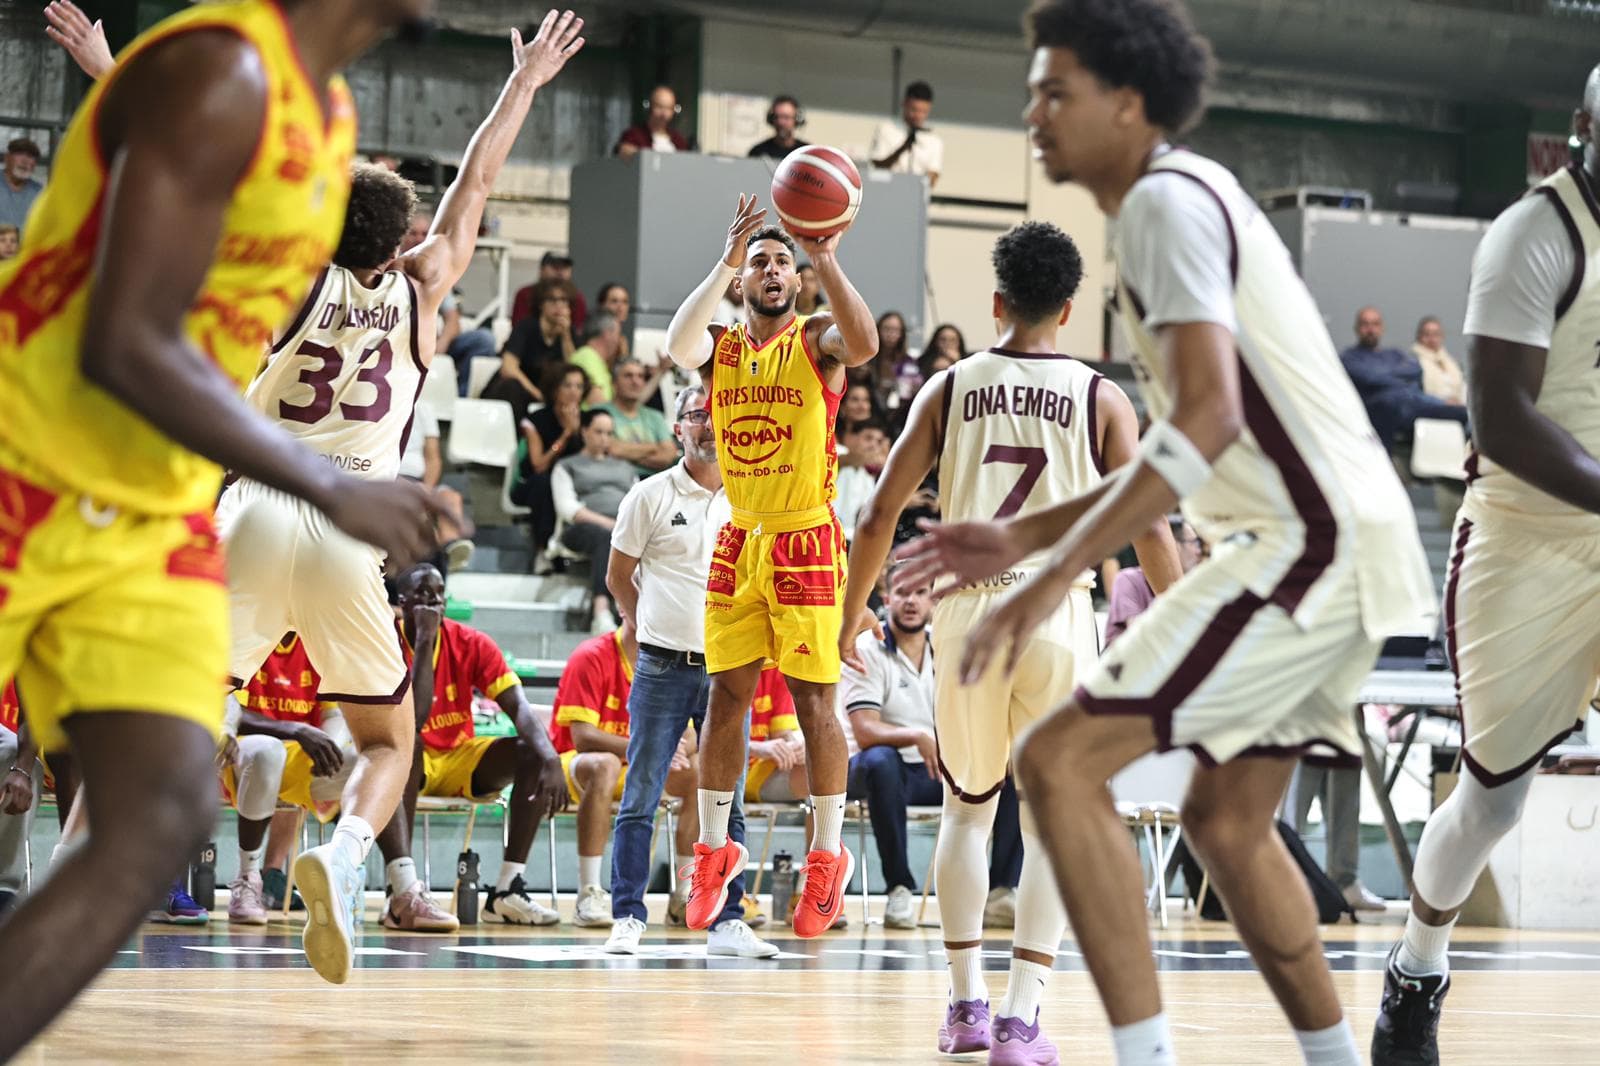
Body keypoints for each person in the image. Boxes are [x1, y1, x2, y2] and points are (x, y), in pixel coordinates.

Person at [896, 4, 1437, 1064]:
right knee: (1226, 826)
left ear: (1125, 102)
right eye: (1031, 91)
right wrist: (1024, 540)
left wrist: (1049, 578)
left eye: (1055, 91)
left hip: (1306, 543)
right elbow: (1182, 440)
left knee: (1055, 763)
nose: (1033, 112)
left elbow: (1204, 421)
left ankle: (1138, 1054)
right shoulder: (1184, 195)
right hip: (1338, 542)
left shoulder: (1160, 206)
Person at [0, 0, 460, 1050]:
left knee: (162, 804)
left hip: (150, 494)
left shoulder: (324, 118)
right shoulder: (224, 69)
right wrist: (334, 484)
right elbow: (121, 338)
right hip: (27, 454)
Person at [215, 10, 585, 984]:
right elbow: (477, 183)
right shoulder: (424, 293)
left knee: (187, 705)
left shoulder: (290, 278)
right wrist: (525, 84)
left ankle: (126, 858)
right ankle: (340, 858)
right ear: (404, 239)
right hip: (349, 524)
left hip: (255, 501)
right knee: (387, 737)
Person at [842, 218, 1185, 1059]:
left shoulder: (949, 388)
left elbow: (882, 512)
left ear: (996, 300)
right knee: (1051, 827)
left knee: (966, 814)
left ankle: (965, 1007)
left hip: (967, 617)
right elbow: (1149, 527)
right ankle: (1022, 1020)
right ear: (1068, 311)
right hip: (1058, 615)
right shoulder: (1102, 396)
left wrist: (851, 612)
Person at [1370, 62, 1600, 1066]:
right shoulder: (1535, 232)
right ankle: (1416, 969)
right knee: (1495, 796)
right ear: (1586, 125)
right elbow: (1499, 416)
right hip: (1529, 533)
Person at [665, 194, 879, 938]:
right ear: (744, 279)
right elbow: (674, 343)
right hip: (740, 535)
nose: (772, 270)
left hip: (805, 535)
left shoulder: (816, 340)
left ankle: (826, 859)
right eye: (762, 262)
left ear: (797, 280)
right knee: (724, 697)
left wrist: (825, 254)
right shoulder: (722, 347)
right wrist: (726, 256)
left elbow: (866, 342)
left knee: (815, 703)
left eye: (782, 262)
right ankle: (714, 848)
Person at [602, 385, 777, 957]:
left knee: (728, 797)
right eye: (695, 415)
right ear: (676, 428)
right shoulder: (648, 495)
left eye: (716, 413)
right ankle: (627, 916)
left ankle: (728, 920)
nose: (707, 424)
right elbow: (617, 576)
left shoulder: (753, 499)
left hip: (731, 669)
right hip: (661, 663)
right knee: (642, 792)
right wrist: (639, 623)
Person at [391, 564, 567, 927]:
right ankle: (402, 891)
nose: (433, 603)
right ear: (401, 603)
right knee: (405, 745)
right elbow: (416, 720)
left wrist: (551, 757)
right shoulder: (384, 641)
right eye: (422, 596)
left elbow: (517, 705)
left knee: (530, 751)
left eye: (438, 595)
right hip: (408, 758)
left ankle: (505, 891)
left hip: (458, 757)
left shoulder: (471, 642)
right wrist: (424, 641)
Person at [548, 620, 695, 928]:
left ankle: (686, 891)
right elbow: (582, 737)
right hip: (581, 766)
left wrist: (667, 749)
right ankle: (589, 892)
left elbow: (692, 736)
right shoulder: (591, 655)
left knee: (697, 772)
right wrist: (648, 748)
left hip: (641, 766)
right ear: (621, 604)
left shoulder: (675, 659)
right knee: (606, 765)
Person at [219, 636, 354, 925]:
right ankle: (248, 878)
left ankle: (382, 880)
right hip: (241, 750)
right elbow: (231, 710)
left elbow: (335, 713)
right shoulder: (248, 633)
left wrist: (331, 744)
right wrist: (297, 729)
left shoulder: (319, 641)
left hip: (298, 751)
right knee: (269, 751)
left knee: (369, 762)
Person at [839, 568, 939, 930]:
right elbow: (865, 730)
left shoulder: (947, 648)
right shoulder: (866, 648)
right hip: (878, 769)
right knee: (883, 762)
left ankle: (1000, 891)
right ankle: (899, 889)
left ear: (934, 600)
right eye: (903, 592)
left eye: (921, 591)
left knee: (1006, 769)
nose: (911, 601)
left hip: (936, 769)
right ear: (886, 599)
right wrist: (916, 735)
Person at [551, 409, 639, 633]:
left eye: (609, 433)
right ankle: (600, 611)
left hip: (621, 527)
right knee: (606, 537)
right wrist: (611, 524)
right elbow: (568, 508)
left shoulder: (626, 469)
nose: (604, 439)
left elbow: (639, 503)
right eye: (598, 432)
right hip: (580, 529)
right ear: (584, 432)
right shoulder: (567, 466)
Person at [1339, 307, 1469, 449]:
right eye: (1365, 324)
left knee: (1464, 413)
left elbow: (1415, 370)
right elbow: (1371, 378)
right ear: (1357, 328)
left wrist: (1384, 375)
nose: (1371, 330)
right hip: (1382, 411)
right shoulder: (1350, 357)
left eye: (1375, 324)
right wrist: (1398, 377)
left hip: (1415, 404)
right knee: (1390, 400)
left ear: (1381, 328)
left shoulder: (1394, 354)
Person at [515, 362, 590, 563]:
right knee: (545, 483)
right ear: (555, 388)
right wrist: (566, 435)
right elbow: (539, 464)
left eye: (579, 386)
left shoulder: (589, 420)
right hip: (537, 481)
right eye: (567, 385)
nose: (574, 391)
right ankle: (542, 550)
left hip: (577, 479)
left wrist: (579, 433)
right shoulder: (536, 419)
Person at [1104, 517, 1203, 645]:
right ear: (1174, 545)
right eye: (1193, 543)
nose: (1198, 551)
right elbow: (1137, 633)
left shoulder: (1193, 584)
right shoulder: (1128, 579)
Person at [491, 279, 576, 408]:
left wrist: (566, 336)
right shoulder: (526, 327)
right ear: (541, 304)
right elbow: (508, 368)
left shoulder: (569, 334)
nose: (559, 305)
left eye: (564, 301)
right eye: (553, 300)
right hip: (514, 392)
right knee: (512, 388)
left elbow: (574, 371)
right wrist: (537, 394)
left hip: (546, 398)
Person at [602, 357, 679, 477]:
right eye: (628, 376)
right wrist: (654, 447)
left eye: (640, 376)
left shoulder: (655, 416)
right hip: (615, 482)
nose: (635, 381)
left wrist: (626, 455)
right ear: (614, 382)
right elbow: (612, 449)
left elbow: (669, 455)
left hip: (653, 483)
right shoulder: (600, 413)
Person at [870, 81, 943, 187]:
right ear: (904, 104)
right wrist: (903, 147)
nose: (918, 116)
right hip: (887, 190)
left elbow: (933, 176)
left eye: (923, 111)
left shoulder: (934, 140)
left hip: (916, 197)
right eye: (914, 110)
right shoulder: (886, 129)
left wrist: (921, 182)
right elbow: (877, 166)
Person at [511, 250, 587, 332]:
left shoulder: (577, 298)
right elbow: (518, 328)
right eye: (555, 267)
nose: (560, 272)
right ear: (542, 270)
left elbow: (579, 330)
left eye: (565, 268)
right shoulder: (526, 294)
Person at [616, 85, 690, 158]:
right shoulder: (633, 136)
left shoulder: (679, 141)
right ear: (649, 107)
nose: (664, 114)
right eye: (659, 107)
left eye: (669, 108)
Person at [570, 310, 625, 405]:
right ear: (608, 334)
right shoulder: (586, 357)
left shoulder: (598, 362)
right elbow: (598, 405)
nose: (619, 340)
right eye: (618, 334)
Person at [1410, 315, 1465, 406]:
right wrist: (1443, 402)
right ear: (1419, 337)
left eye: (1436, 334)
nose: (1432, 339)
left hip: (1456, 408)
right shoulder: (1413, 361)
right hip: (1430, 409)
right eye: (1427, 335)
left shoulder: (1451, 363)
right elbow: (1415, 394)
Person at [0, 138, 42, 234]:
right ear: (7, 158)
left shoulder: (40, 194)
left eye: (31, 156)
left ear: (35, 164)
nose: (25, 161)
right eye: (19, 154)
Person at [748, 95, 809, 160]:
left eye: (786, 117)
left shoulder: (807, 152)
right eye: (776, 117)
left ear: (797, 120)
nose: (780, 122)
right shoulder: (758, 152)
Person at [596, 282, 633, 357]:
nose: (620, 307)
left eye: (625, 301)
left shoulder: (622, 340)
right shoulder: (596, 339)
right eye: (614, 301)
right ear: (602, 306)